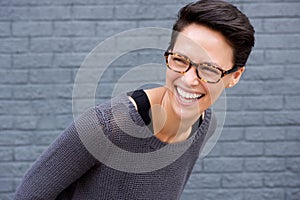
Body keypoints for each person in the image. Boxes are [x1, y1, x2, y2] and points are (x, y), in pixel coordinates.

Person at [14, 0, 255, 199]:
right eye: (180, 60)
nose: (189, 80)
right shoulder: (106, 127)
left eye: (209, 69)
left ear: (234, 76)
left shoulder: (204, 125)